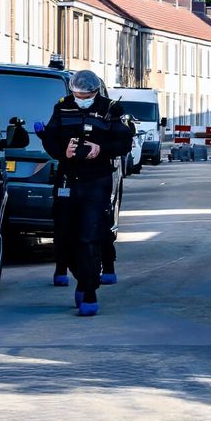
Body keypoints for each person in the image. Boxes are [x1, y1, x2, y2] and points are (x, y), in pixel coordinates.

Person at [36, 70, 133, 316]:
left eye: (86, 95)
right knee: (64, 236)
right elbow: (50, 139)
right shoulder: (63, 108)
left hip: (96, 180)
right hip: (68, 179)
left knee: (89, 236)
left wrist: (101, 148)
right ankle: (79, 276)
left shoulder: (111, 109)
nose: (82, 98)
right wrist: (62, 152)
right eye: (78, 94)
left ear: (95, 92)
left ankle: (89, 290)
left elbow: (124, 143)